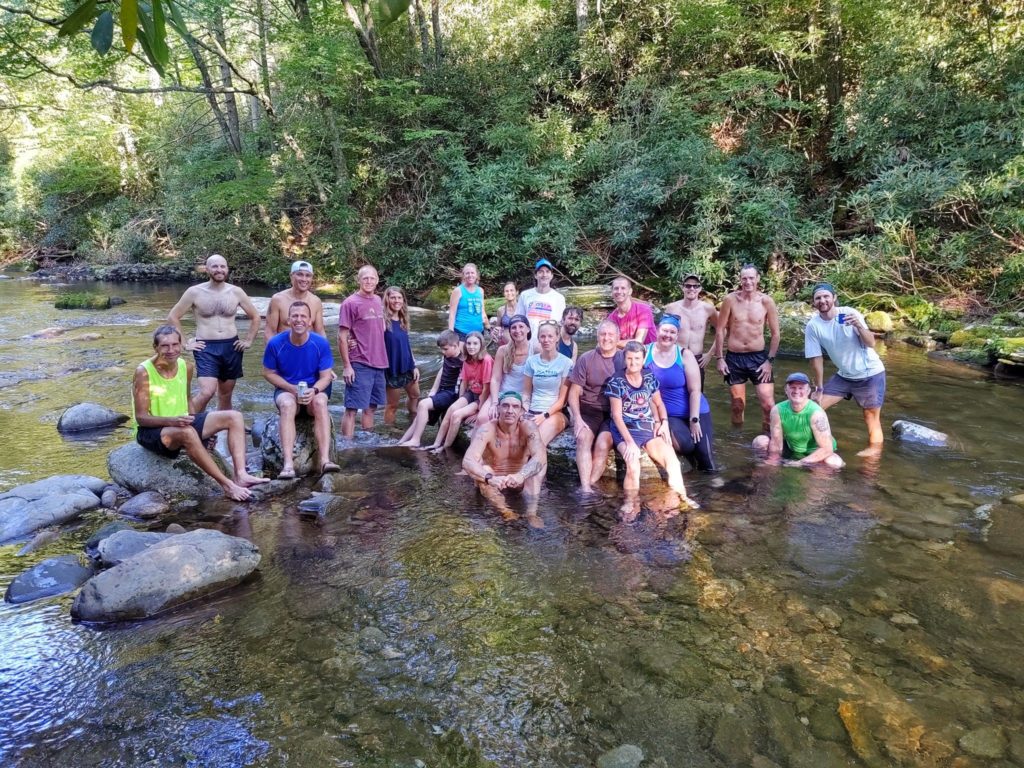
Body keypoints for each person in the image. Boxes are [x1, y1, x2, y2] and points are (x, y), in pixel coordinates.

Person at [132, 325, 269, 501]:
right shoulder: (144, 372)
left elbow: (188, 399)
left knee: (234, 416)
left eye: (175, 344)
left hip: (180, 423)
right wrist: (174, 422)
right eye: (165, 346)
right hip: (151, 432)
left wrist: (201, 432)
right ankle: (227, 485)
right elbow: (141, 418)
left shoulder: (185, 366)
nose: (171, 350)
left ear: (181, 345)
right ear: (155, 348)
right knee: (187, 432)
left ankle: (241, 474)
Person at [605, 341, 698, 512]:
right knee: (633, 464)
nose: (633, 363)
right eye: (630, 359)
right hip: (625, 428)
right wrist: (629, 442)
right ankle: (630, 502)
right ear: (625, 359)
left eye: (637, 359)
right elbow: (616, 416)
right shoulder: (616, 381)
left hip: (647, 427)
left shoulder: (649, 377)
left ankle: (683, 495)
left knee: (672, 461)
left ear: (643, 360)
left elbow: (659, 403)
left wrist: (663, 422)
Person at [167, 253, 261, 412]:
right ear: (207, 269)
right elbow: (173, 316)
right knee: (207, 391)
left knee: (225, 394)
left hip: (232, 347)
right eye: (215, 266)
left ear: (227, 269)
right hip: (206, 346)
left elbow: (255, 316)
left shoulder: (236, 292)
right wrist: (183, 343)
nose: (219, 270)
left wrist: (248, 340)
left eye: (222, 266)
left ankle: (223, 426)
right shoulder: (194, 292)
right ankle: (188, 422)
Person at [805, 282, 886, 457]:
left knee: (870, 418)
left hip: (869, 374)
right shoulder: (813, 326)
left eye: (826, 296)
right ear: (813, 302)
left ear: (834, 298)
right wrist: (818, 388)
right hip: (844, 376)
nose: (822, 300)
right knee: (813, 407)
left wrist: (859, 325)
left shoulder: (849, 314)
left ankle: (873, 457)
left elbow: (871, 343)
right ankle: (817, 445)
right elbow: (815, 358)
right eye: (818, 298)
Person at [262, 301, 338, 478]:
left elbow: (326, 376)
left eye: (303, 316)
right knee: (287, 405)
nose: (299, 320)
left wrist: (315, 391)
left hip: (315, 390)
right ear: (288, 320)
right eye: (295, 316)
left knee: (320, 403)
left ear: (310, 320)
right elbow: (268, 373)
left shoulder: (320, 343)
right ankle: (288, 464)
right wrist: (291, 388)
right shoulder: (275, 343)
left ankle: (325, 460)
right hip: (288, 389)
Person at [462, 391, 548, 525]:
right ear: (498, 408)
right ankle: (506, 512)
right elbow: (468, 461)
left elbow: (541, 456)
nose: (510, 410)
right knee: (483, 468)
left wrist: (522, 475)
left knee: (536, 468)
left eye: (515, 407)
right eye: (505, 406)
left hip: (520, 479)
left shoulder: (528, 427)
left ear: (521, 411)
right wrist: (490, 478)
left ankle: (532, 514)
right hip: (495, 480)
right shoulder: (487, 429)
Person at [714, 263, 780, 431]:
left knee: (768, 405)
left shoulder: (766, 302)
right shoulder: (730, 300)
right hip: (734, 358)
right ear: (740, 280)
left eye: (751, 278)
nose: (748, 281)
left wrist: (769, 361)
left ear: (758, 279)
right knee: (737, 405)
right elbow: (720, 329)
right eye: (744, 278)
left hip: (759, 358)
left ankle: (768, 440)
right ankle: (737, 440)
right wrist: (720, 358)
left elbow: (775, 334)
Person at [645, 315, 716, 471]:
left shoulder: (684, 355)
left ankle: (714, 490)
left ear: (677, 336)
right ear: (657, 330)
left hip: (696, 410)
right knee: (686, 447)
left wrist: (694, 419)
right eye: (664, 330)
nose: (667, 335)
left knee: (706, 458)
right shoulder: (645, 353)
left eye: (672, 332)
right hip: (669, 413)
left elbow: (695, 390)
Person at [567, 320, 622, 493]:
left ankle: (588, 486)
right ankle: (585, 487)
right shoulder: (586, 358)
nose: (606, 338)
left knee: (603, 444)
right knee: (583, 440)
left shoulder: (624, 359)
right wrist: (577, 418)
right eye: (603, 334)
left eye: (610, 335)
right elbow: (574, 392)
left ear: (617, 337)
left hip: (613, 414)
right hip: (589, 411)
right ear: (597, 336)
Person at [753, 372, 844, 468]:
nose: (796, 391)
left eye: (801, 388)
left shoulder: (816, 414)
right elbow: (776, 443)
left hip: (816, 451)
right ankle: (759, 469)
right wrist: (772, 463)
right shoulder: (777, 410)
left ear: (808, 391)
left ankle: (817, 478)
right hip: (793, 449)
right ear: (786, 390)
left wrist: (800, 463)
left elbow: (826, 449)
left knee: (833, 462)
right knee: (760, 441)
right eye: (792, 387)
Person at [338, 265, 388, 437]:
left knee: (371, 407)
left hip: (379, 362)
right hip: (359, 362)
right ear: (358, 280)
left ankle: (367, 443)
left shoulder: (378, 300)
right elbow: (342, 336)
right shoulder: (350, 303)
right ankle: (347, 446)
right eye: (365, 278)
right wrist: (347, 365)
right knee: (351, 408)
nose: (368, 281)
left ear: (377, 280)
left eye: (372, 278)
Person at [427, 331, 493, 452]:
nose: (471, 346)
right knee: (452, 410)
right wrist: (460, 400)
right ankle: (436, 443)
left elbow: (487, 388)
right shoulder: (467, 360)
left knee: (457, 415)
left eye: (475, 343)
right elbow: (464, 382)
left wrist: (479, 411)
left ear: (481, 345)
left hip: (481, 396)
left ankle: (444, 447)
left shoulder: (486, 360)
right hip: (471, 393)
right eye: (468, 343)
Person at [398, 330, 463, 447]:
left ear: (455, 345)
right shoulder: (448, 355)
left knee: (423, 404)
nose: (443, 352)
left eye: (445, 349)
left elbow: (466, 381)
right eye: (441, 349)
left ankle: (416, 440)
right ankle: (402, 441)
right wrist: (433, 390)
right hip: (442, 392)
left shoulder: (462, 360)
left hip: (451, 394)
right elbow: (442, 371)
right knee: (420, 415)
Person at [661, 273, 720, 388]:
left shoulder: (707, 309)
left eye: (695, 286)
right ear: (682, 287)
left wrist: (710, 353)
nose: (692, 289)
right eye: (688, 286)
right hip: (676, 357)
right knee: (673, 395)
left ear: (700, 288)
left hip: (697, 358)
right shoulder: (672, 308)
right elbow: (662, 334)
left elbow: (722, 330)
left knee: (696, 395)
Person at [522, 320, 573, 446]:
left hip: (556, 412)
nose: (546, 340)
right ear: (538, 338)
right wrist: (525, 410)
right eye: (543, 336)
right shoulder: (531, 361)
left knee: (535, 443)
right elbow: (526, 393)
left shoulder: (566, 363)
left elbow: (562, 400)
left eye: (550, 336)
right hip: (532, 410)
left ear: (557, 338)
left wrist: (544, 415)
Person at [382, 286, 420, 425]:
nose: (396, 301)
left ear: (403, 300)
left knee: (415, 395)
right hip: (392, 369)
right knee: (392, 405)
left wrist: (414, 365)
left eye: (399, 298)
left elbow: (406, 344)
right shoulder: (383, 321)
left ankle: (413, 419)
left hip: (408, 365)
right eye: (393, 298)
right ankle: (389, 431)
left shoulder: (403, 318)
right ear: (387, 299)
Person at [483, 314, 532, 419]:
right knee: (483, 418)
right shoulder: (503, 350)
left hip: (522, 396)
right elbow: (495, 379)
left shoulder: (535, 350)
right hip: (502, 393)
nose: (517, 330)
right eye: (513, 327)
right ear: (510, 332)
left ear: (528, 329)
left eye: (521, 326)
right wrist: (494, 403)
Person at [266, 260, 326, 337]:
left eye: (308, 275)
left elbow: (320, 332)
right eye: (300, 274)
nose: (304, 279)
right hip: (284, 347)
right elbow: (270, 331)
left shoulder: (316, 301)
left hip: (307, 348)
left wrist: (325, 348)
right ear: (291, 276)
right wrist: (272, 349)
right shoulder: (277, 300)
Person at [515, 258, 566, 342]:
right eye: (541, 271)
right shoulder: (525, 295)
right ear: (535, 275)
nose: (544, 275)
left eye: (547, 271)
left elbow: (561, 325)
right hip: (527, 344)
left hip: (548, 344)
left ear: (551, 275)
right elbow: (518, 320)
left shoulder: (559, 298)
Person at [608, 277, 656, 348]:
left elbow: (639, 342)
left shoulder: (643, 310)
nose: (619, 291)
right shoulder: (611, 319)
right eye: (616, 288)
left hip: (649, 354)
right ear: (612, 292)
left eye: (623, 288)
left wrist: (612, 343)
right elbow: (604, 342)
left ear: (630, 291)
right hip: (628, 355)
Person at [448, 262, 489, 341]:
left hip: (479, 332)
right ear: (463, 275)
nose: (470, 275)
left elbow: (482, 312)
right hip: (461, 332)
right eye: (467, 273)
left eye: (472, 273)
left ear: (476, 275)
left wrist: (489, 327)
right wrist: (451, 333)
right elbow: (452, 314)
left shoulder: (480, 291)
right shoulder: (458, 291)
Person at [490, 281, 519, 346]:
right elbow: (498, 328)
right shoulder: (501, 310)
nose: (509, 293)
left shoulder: (522, 308)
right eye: (506, 291)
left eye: (512, 290)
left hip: (520, 345)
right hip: (505, 345)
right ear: (504, 293)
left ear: (517, 292)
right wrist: (494, 332)